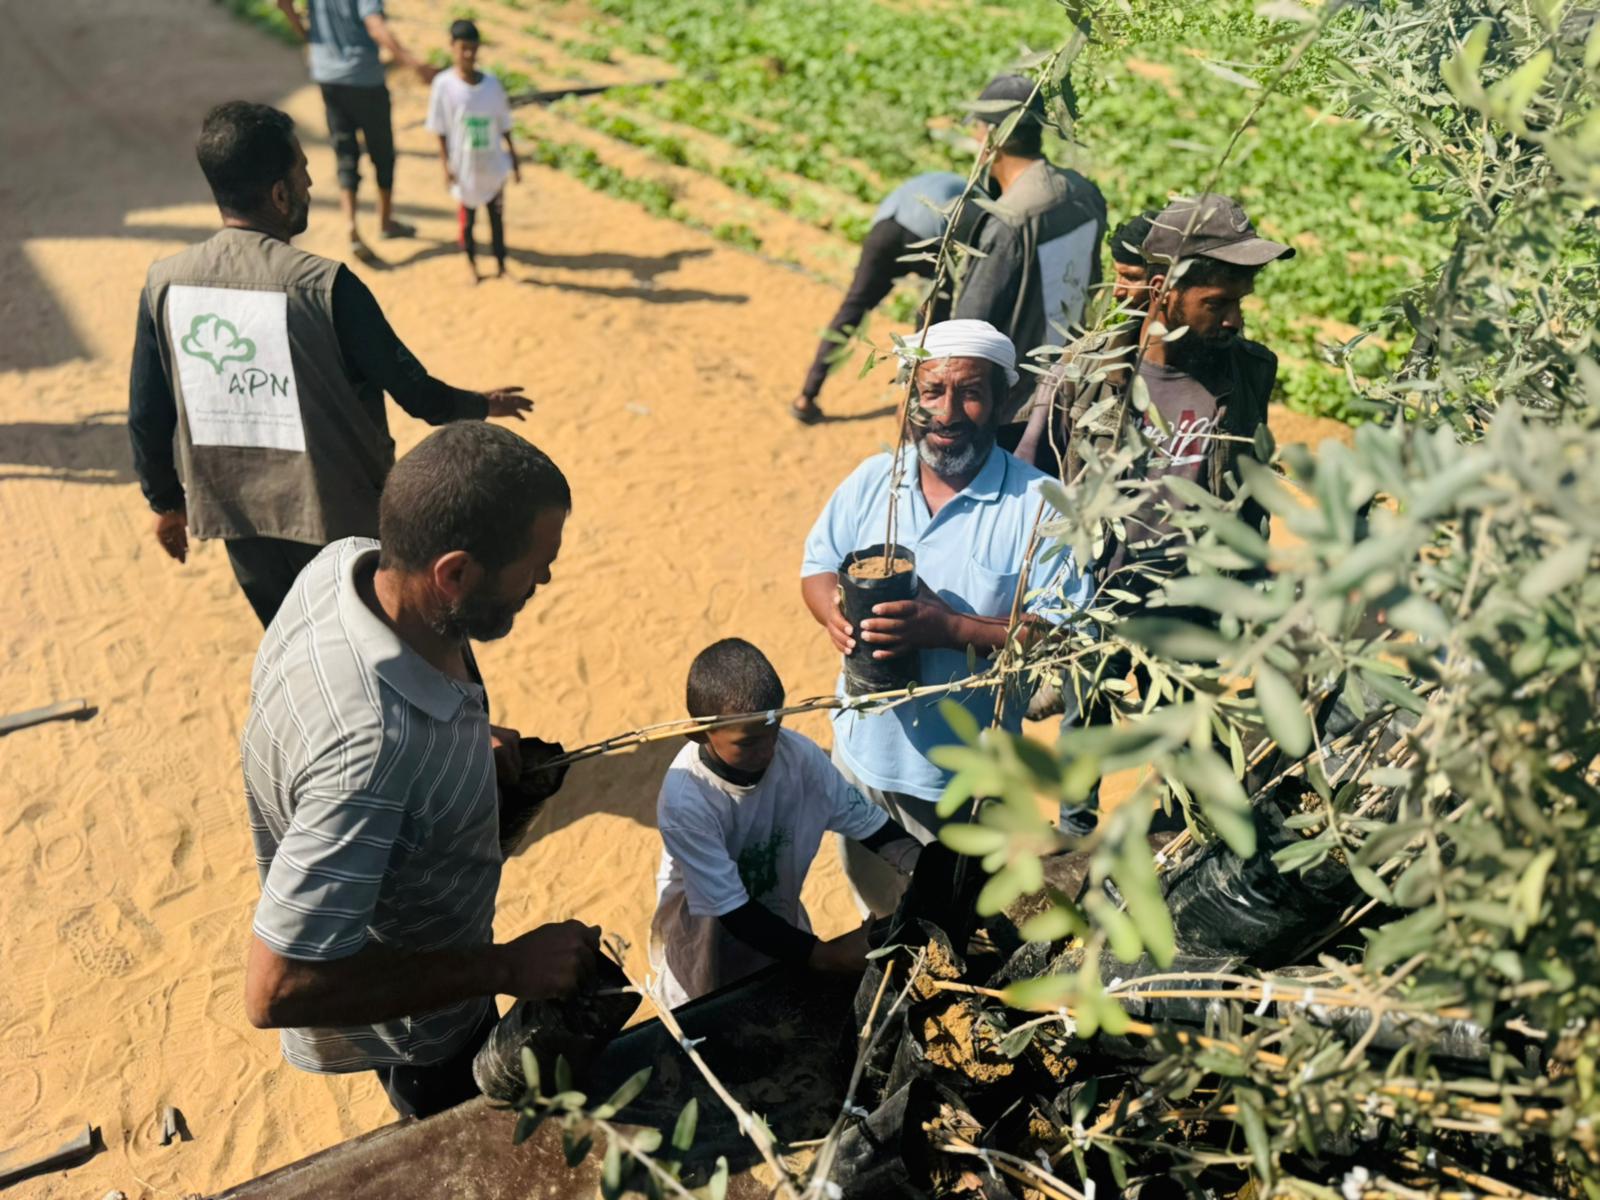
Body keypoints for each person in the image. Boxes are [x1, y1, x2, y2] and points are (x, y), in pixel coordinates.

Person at [241, 421, 600, 1120]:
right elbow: (277, 989)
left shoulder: (346, 567)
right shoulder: (370, 750)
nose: (546, 577)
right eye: (535, 562)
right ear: (456, 574)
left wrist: (466, 745)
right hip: (427, 1040)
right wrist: (506, 967)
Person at [128, 101, 531, 627]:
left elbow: (147, 411)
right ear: (279, 193)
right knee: (389, 650)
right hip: (342, 528)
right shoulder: (327, 286)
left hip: (241, 523)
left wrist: (165, 502)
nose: (311, 182)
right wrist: (482, 403)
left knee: (296, 646)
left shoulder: (165, 283)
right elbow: (417, 394)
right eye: (302, 170)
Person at [801, 319, 1092, 916]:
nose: (948, 411)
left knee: (955, 928)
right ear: (910, 396)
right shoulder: (874, 483)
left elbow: (1061, 638)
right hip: (863, 765)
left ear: (1002, 399)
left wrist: (950, 629)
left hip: (968, 783)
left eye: (970, 392)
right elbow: (817, 567)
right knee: (878, 920)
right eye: (931, 391)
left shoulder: (1039, 506)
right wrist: (831, 611)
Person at [1023, 194, 1292, 747]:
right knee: (1086, 723)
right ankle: (1077, 828)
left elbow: (1250, 485)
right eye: (1217, 302)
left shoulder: (1248, 374)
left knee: (1186, 738)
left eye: (1240, 302)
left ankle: (1171, 829)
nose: (1234, 318)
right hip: (1098, 594)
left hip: (1190, 603)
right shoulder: (1087, 375)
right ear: (1164, 291)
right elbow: (1032, 481)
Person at [649, 639, 924, 1008]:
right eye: (747, 744)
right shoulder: (688, 799)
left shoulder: (801, 760)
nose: (766, 751)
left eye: (774, 732)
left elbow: (870, 825)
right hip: (705, 944)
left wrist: (922, 865)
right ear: (700, 734)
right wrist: (827, 955)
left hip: (780, 932)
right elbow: (733, 912)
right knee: (716, 1018)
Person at [952, 75, 1107, 438]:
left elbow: (969, 329)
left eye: (977, 129)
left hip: (1011, 408)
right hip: (1067, 388)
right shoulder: (1084, 193)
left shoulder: (1010, 220)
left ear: (992, 137)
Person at [790, 172, 978, 424]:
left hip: (886, 228)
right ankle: (913, 403)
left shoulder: (935, 177)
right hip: (929, 239)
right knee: (930, 321)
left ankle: (806, 396)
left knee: (853, 308)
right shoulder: (977, 194)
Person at [274, 0, 437, 254]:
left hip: (328, 76)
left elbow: (283, 4)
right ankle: (385, 221)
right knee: (382, 151)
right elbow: (375, 26)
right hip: (365, 79)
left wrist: (311, 39)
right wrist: (414, 64)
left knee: (345, 152)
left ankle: (352, 227)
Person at [1013, 207, 1159, 470]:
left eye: (1131, 278)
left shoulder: (1242, 370)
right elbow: (1029, 459)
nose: (1117, 292)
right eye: (1117, 275)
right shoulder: (1080, 364)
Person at [427, 19, 521, 283]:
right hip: (464, 165)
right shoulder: (443, 85)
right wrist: (445, 166)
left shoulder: (492, 85)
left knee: (497, 218)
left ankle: (502, 264)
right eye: (463, 48)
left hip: (492, 164)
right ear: (452, 47)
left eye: (473, 48)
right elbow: (441, 131)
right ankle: (471, 264)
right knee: (467, 221)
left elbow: (504, 124)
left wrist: (514, 159)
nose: (468, 54)